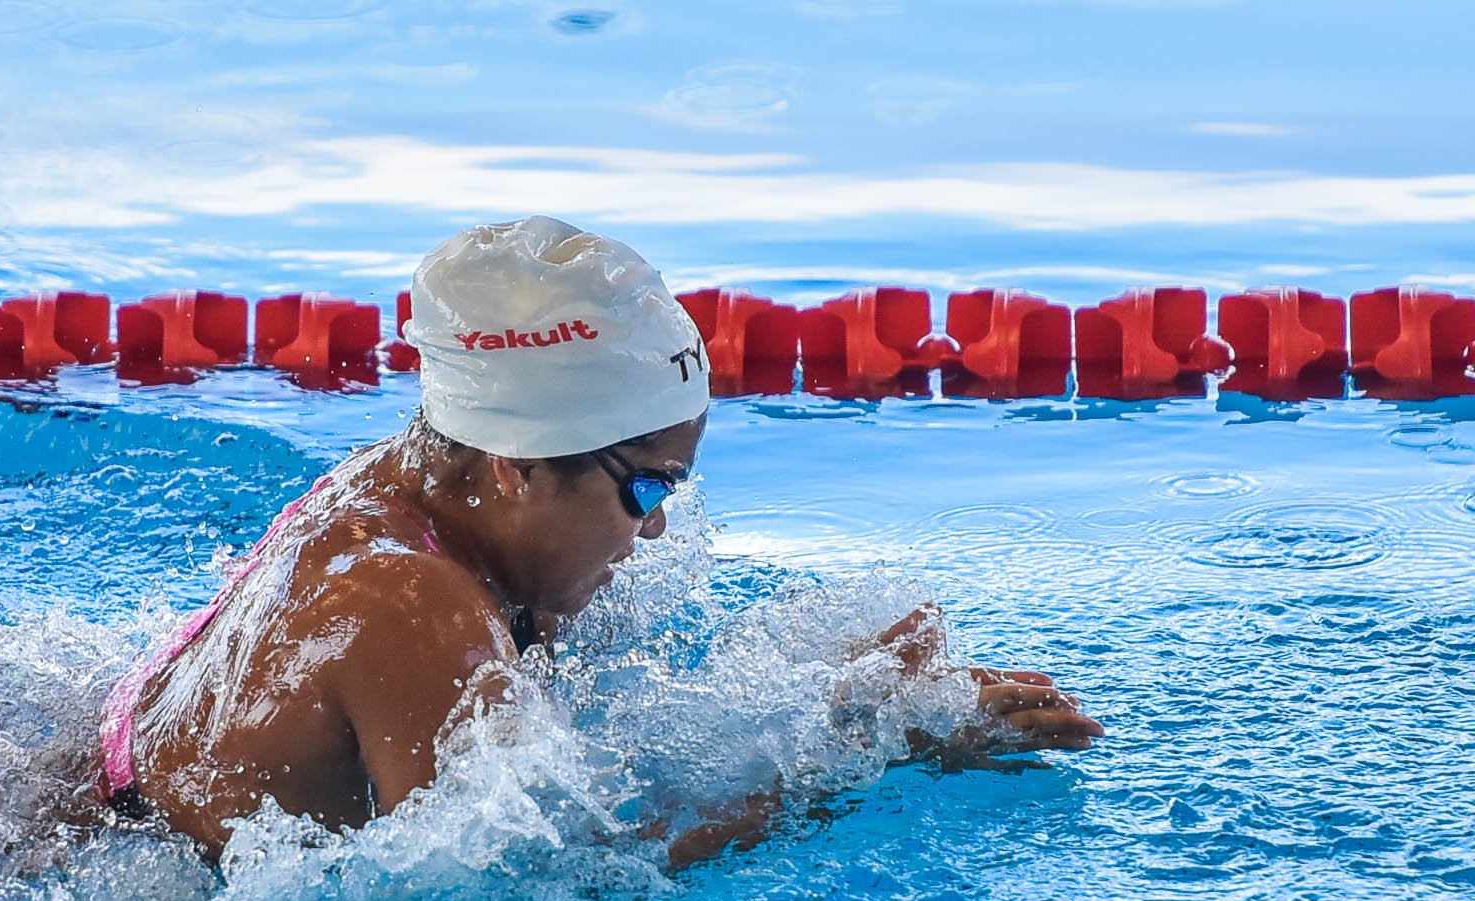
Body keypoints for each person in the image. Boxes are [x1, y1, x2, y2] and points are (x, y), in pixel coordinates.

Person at [97, 215, 1102, 865]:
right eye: (643, 486)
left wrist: (828, 683)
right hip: (93, 898)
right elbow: (539, 891)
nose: (657, 522)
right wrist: (869, 745)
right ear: (516, 469)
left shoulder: (411, 485)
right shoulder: (414, 611)